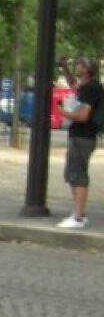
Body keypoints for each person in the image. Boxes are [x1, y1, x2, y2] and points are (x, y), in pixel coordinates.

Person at [56, 57, 103, 229]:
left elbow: (83, 116)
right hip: (82, 136)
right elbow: (73, 84)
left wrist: (62, 112)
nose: (77, 67)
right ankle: (78, 214)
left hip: (82, 136)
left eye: (79, 65)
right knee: (73, 174)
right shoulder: (87, 87)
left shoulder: (90, 89)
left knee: (78, 175)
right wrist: (65, 68)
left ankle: (78, 217)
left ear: (87, 69)